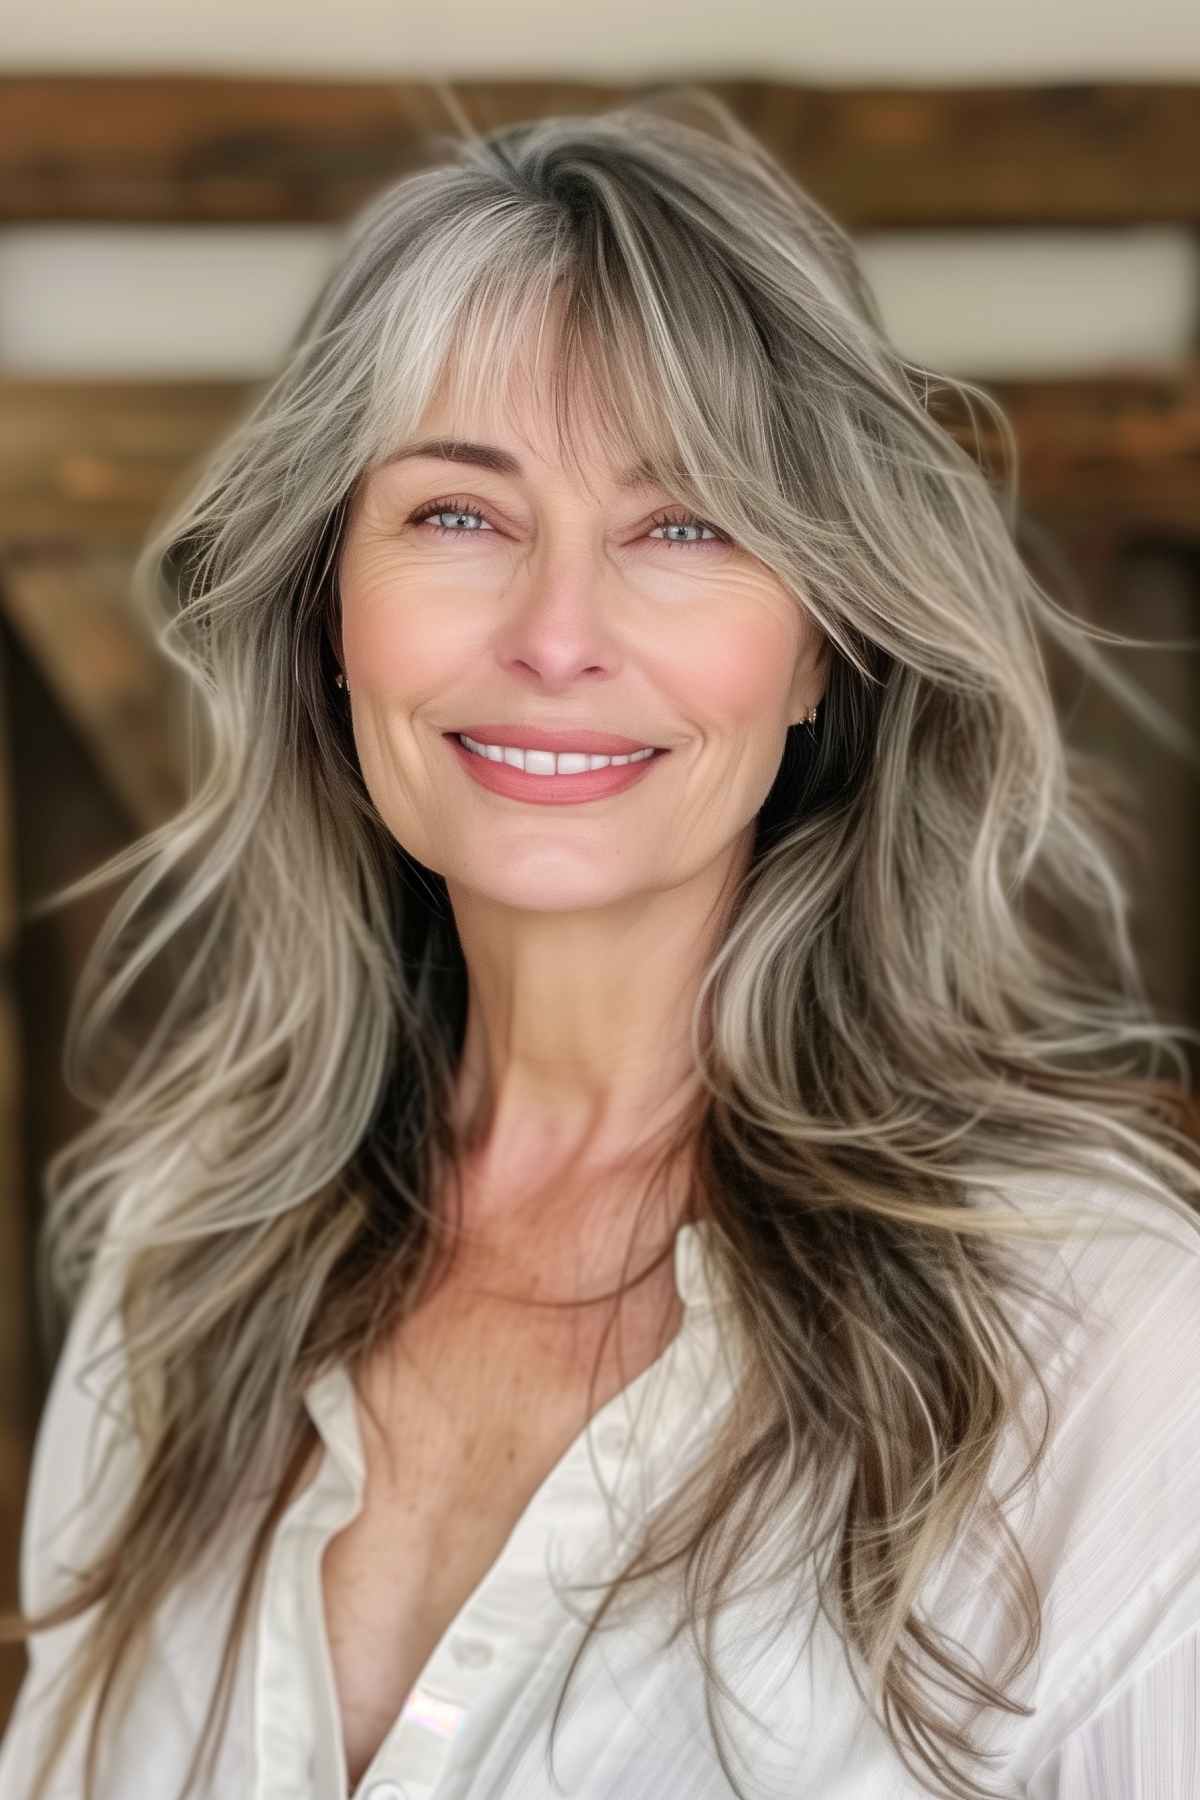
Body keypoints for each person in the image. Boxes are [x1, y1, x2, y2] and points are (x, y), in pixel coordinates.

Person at [2, 87, 1199, 1800]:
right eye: (459, 515)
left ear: (821, 650)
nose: (558, 634)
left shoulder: (1108, 1352)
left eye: (686, 525)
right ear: (331, 612)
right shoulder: (176, 1263)